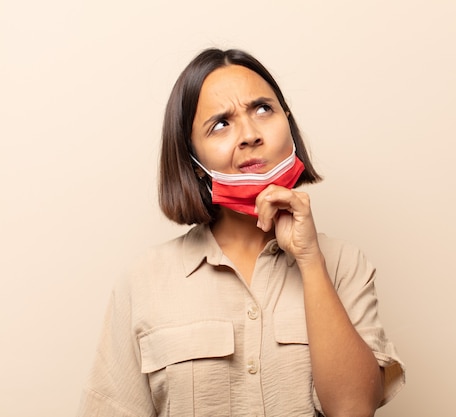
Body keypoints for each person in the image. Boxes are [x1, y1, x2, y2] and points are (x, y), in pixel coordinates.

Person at [77, 48, 405, 417]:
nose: (249, 135)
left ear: (289, 123)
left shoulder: (345, 264)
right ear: (193, 161)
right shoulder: (144, 281)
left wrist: (310, 261)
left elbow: (353, 409)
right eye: (220, 124)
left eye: (263, 109)